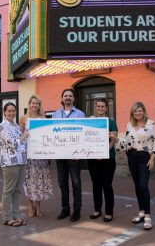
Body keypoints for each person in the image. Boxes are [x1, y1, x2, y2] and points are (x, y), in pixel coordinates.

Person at [122, 102, 155, 230]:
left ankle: (148, 216)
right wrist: (117, 140)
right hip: (132, 156)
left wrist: (152, 159)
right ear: (132, 113)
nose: (137, 113)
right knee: (137, 186)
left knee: (143, 185)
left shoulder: (150, 124)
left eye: (139, 111)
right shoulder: (129, 124)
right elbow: (126, 141)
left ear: (143, 111)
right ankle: (141, 211)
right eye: (135, 111)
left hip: (144, 156)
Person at [52, 88, 85, 222]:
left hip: (74, 155)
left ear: (73, 99)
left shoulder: (80, 114)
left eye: (70, 96)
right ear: (62, 98)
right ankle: (65, 209)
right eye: (65, 95)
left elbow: (82, 133)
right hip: (60, 155)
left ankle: (77, 210)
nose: (68, 98)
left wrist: (80, 152)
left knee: (76, 183)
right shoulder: (55, 115)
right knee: (62, 182)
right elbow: (52, 134)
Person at [20, 94, 53, 218]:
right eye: (32, 103)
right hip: (28, 155)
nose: (34, 105)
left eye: (37, 103)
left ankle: (38, 206)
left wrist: (49, 155)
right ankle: (30, 205)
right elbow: (20, 137)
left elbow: (48, 138)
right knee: (28, 180)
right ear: (29, 104)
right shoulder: (23, 118)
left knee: (40, 180)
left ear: (39, 105)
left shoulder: (43, 118)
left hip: (40, 156)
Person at [0, 102, 28, 227]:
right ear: (4, 112)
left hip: (21, 161)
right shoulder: (2, 126)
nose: (11, 113)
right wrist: (25, 135)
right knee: (9, 190)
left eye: (13, 111)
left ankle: (16, 215)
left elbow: (23, 144)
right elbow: (13, 143)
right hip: (10, 163)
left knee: (17, 190)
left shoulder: (15, 125)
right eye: (9, 111)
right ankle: (7, 217)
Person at [88, 99, 118, 222]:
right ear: (96, 108)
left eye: (102, 106)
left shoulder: (111, 122)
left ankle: (109, 212)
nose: (100, 108)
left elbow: (113, 140)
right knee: (96, 185)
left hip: (107, 159)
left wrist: (104, 152)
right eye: (98, 106)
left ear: (106, 108)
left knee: (106, 185)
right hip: (93, 159)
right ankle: (97, 210)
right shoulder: (91, 122)